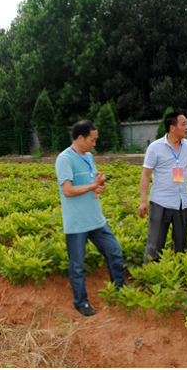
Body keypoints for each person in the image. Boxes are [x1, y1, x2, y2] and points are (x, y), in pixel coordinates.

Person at [55, 120, 126, 317]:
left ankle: (120, 290)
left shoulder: (89, 156)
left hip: (96, 219)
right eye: (92, 140)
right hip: (77, 222)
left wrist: (99, 186)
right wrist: (93, 186)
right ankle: (81, 302)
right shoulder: (64, 159)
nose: (94, 144)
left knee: (114, 252)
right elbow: (68, 190)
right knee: (77, 266)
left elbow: (91, 184)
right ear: (80, 138)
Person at [138, 112, 187, 264]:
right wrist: (143, 201)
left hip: (183, 202)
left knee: (181, 244)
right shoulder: (155, 148)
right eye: (183, 124)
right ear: (172, 127)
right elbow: (145, 175)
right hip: (160, 202)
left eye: (186, 124)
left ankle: (177, 275)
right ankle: (150, 275)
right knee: (155, 244)